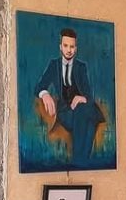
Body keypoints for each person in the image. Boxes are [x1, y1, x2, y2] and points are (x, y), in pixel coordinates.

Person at [35, 28, 101, 163]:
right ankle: (81, 162)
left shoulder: (81, 67)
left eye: (72, 46)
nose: (69, 50)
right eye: (66, 46)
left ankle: (79, 161)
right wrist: (45, 94)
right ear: (60, 47)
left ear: (76, 49)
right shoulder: (54, 65)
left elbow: (88, 94)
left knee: (82, 109)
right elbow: (39, 87)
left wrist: (81, 98)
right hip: (66, 111)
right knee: (89, 118)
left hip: (82, 109)